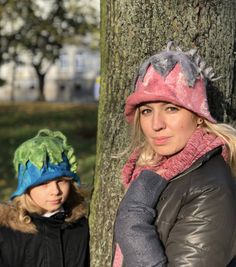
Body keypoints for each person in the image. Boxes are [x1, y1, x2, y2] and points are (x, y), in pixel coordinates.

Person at [112, 42, 236, 267]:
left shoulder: (211, 188)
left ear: (199, 116)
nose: (156, 125)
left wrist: (132, 221)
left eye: (171, 108)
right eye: (147, 111)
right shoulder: (156, 170)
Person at [0, 129, 90, 267]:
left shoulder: (81, 226)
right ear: (26, 188)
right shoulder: (7, 234)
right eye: (43, 184)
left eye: (61, 180)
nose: (55, 191)